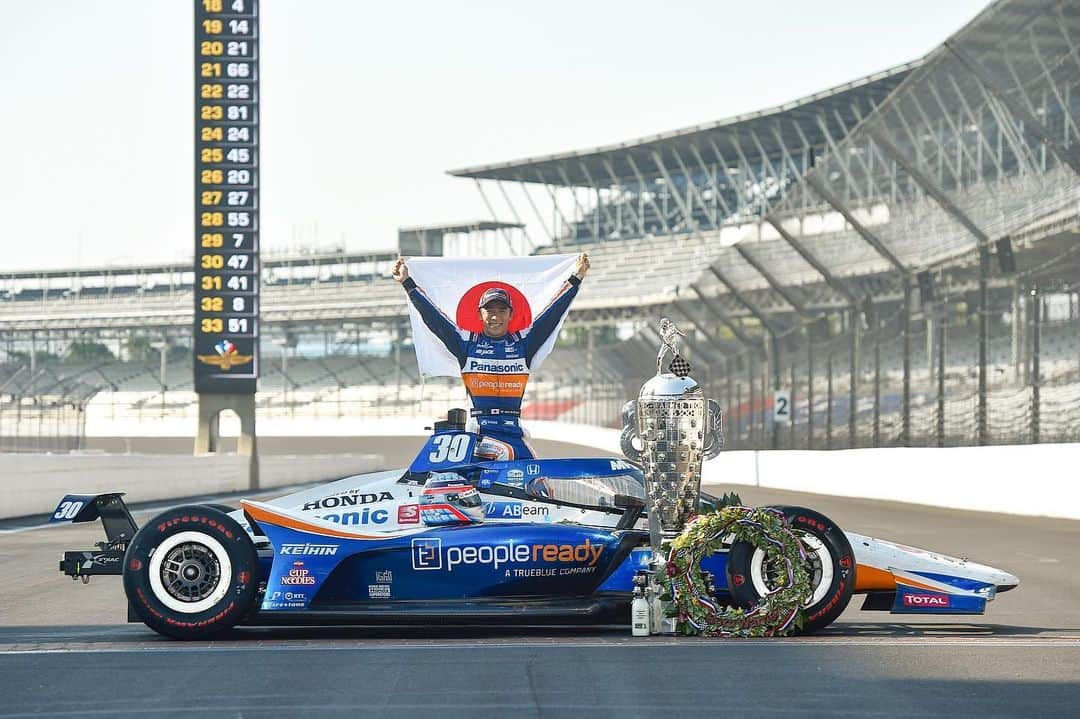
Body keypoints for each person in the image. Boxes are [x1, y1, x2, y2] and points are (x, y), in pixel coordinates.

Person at [392, 253, 590, 461]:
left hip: (514, 431)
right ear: (480, 314)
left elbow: (553, 313)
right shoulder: (466, 343)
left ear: (510, 315)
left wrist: (576, 278)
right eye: (489, 311)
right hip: (479, 434)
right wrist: (407, 283)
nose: (496, 317)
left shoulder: (524, 342)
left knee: (537, 481)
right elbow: (434, 318)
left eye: (502, 310)